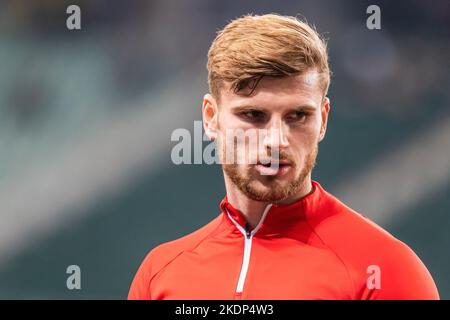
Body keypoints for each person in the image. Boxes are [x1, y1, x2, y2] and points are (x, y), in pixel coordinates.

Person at [128, 13, 439, 300]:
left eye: (298, 116)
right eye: (253, 114)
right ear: (211, 118)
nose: (276, 140)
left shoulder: (385, 270)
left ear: (323, 120)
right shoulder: (160, 274)